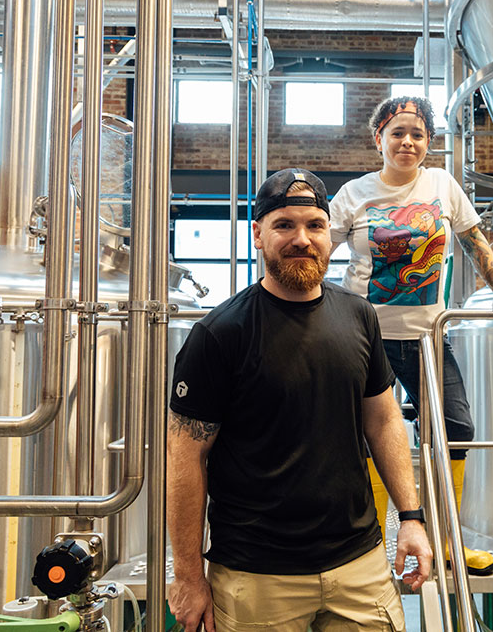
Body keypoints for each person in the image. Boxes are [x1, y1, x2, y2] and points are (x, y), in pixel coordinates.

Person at [167, 168, 432, 632]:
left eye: (314, 225)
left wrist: (411, 517)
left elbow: (385, 420)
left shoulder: (358, 315)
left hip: (360, 567)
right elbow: (186, 456)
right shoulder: (220, 333)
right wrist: (188, 576)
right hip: (256, 574)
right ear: (258, 234)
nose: (302, 239)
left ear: (330, 234)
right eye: (284, 225)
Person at [330, 96, 493, 576]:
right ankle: (370, 546)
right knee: (364, 435)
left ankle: (445, 541)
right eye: (397, 133)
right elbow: (317, 245)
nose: (407, 142)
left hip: (426, 337)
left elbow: (474, 240)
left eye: (417, 134)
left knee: (456, 429)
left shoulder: (442, 184)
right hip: (363, 338)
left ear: (428, 143)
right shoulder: (354, 193)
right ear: (379, 138)